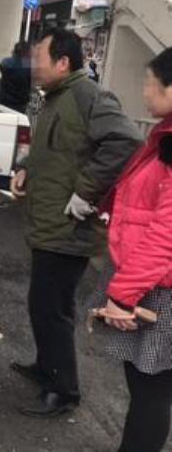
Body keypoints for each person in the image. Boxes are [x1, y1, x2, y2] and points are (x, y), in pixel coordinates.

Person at [9, 28, 143, 417]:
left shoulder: (87, 95)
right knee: (44, 304)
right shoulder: (54, 98)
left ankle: (65, 388)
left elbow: (127, 141)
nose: (34, 65)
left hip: (69, 228)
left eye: (40, 58)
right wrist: (25, 170)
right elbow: (54, 150)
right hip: (49, 222)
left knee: (51, 307)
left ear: (63, 62)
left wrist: (86, 191)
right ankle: (46, 367)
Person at [92, 48, 172, 452]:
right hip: (150, 280)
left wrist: (123, 295)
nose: (144, 92)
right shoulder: (163, 136)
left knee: (151, 390)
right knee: (149, 389)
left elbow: (167, 234)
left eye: (150, 84)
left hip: (157, 287)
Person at [0, 41, 32, 113]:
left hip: (4, 102)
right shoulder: (28, 65)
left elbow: (1, 66)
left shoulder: (6, 62)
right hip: (20, 104)